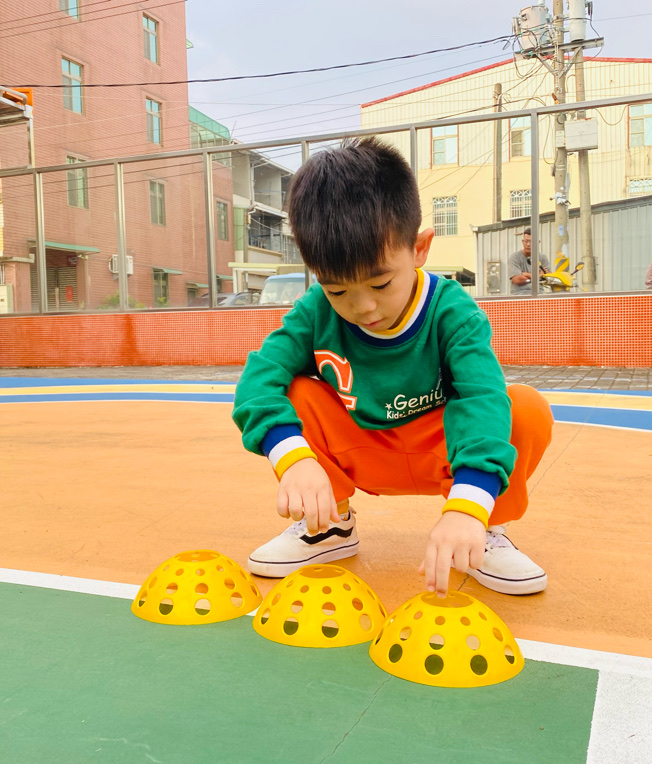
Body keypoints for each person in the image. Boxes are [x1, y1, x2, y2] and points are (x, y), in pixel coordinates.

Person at [232, 138, 554, 598]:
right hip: (364, 450)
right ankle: (329, 525)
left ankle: (483, 527)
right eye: (337, 290)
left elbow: (480, 397)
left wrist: (468, 505)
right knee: (294, 390)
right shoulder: (314, 312)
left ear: (419, 248)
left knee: (522, 408)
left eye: (380, 283)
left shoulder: (453, 313)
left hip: (443, 453)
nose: (363, 307)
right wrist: (293, 457)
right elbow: (258, 382)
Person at [507, 228, 552, 294]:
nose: (528, 244)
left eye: (531, 241)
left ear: (538, 242)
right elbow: (516, 280)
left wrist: (524, 274)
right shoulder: (514, 257)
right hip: (519, 294)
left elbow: (549, 277)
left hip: (539, 294)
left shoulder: (543, 258)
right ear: (522, 242)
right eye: (526, 241)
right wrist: (538, 276)